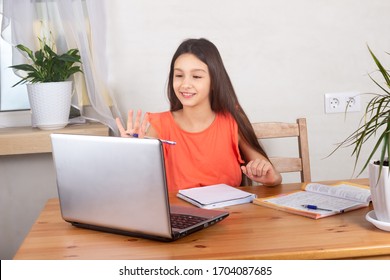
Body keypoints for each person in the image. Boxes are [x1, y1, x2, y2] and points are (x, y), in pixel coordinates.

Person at [116, 38, 282, 191]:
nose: (185, 84)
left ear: (214, 82)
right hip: (182, 218)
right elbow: (136, 184)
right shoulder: (160, 126)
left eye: (196, 76)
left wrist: (268, 175)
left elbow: (274, 177)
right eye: (179, 75)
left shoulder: (232, 120)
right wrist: (132, 154)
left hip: (232, 216)